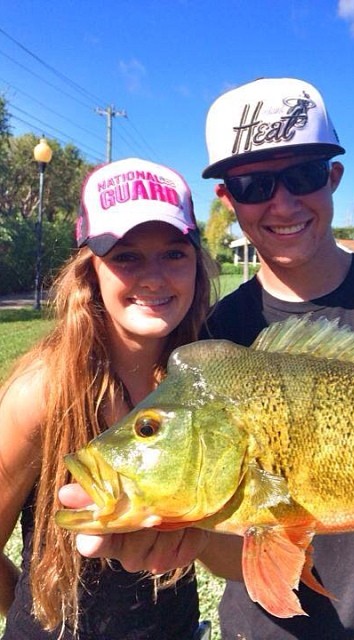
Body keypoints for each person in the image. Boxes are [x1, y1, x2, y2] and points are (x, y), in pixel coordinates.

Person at [61, 78, 354, 639]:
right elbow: (228, 547)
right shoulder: (216, 341)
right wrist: (186, 532)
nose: (283, 202)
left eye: (305, 176)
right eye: (255, 184)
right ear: (228, 199)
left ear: (334, 176)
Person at [0, 158, 218, 639]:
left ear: (197, 264)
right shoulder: (43, 389)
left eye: (174, 254)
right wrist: (31, 604)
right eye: (126, 257)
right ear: (90, 271)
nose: (154, 278)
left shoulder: (204, 377)